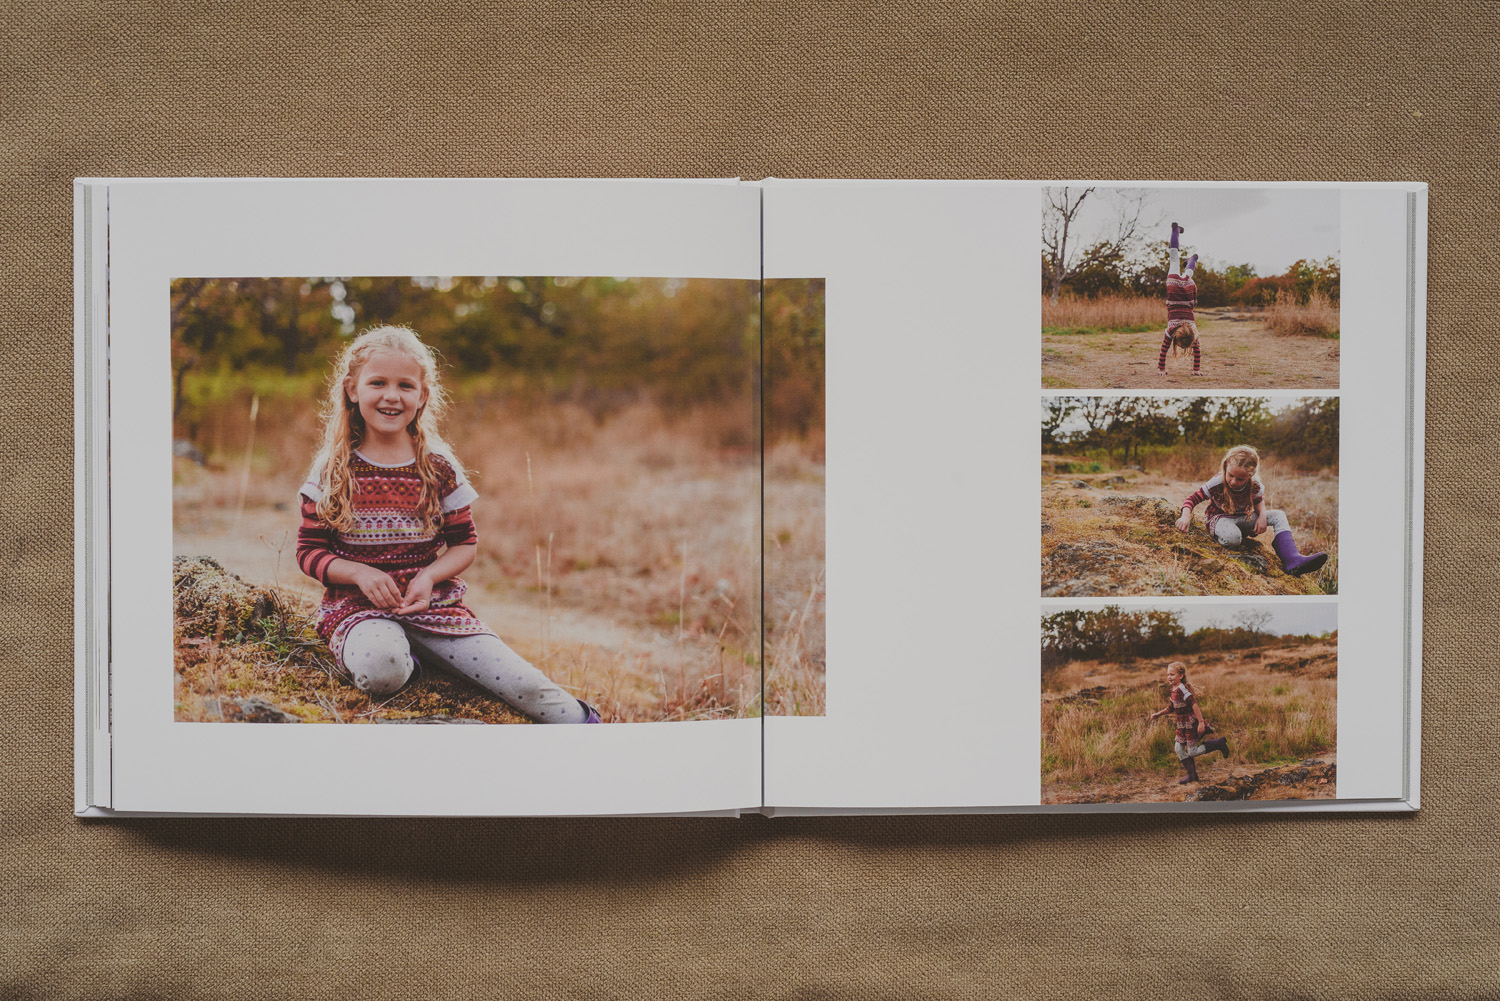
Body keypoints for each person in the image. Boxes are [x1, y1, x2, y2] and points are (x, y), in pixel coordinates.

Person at [296, 325, 599, 723]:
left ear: (422, 396)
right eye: (378, 383)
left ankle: (587, 727)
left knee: (528, 688)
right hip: (357, 610)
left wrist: (428, 577)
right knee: (382, 668)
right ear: (353, 389)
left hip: (435, 607)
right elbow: (309, 552)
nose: (391, 396)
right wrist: (357, 573)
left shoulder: (438, 467)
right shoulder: (333, 469)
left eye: (405, 385)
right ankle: (411, 662)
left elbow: (464, 544)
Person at [1175, 444, 1329, 577]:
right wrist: (1185, 516)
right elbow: (1192, 499)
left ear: (1250, 476)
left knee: (1279, 515)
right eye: (1231, 475)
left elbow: (1258, 501)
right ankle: (1226, 534)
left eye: (1240, 479)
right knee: (1233, 539)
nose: (1234, 482)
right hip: (1219, 519)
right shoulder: (1217, 482)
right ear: (1226, 466)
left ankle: (1292, 560)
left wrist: (1262, 515)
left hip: (1242, 518)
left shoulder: (1255, 485)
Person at [1147, 662, 1229, 784]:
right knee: (1178, 749)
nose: (1169, 677)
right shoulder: (1173, 690)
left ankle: (1218, 743)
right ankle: (1192, 775)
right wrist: (1158, 714)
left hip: (1191, 723)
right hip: (1181, 725)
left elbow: (1194, 704)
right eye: (1168, 674)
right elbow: (1171, 707)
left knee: (1192, 752)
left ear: (1180, 676)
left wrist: (1201, 722)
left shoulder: (1182, 689)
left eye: (1172, 674)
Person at [1157, 221, 1203, 376]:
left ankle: (1191, 258)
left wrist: (1196, 369)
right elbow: (1163, 352)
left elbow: (1197, 352)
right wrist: (1161, 369)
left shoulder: (1192, 331)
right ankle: (1192, 259)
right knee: (1175, 259)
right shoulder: (1173, 331)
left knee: (1185, 271)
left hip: (1186, 296)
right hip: (1173, 288)